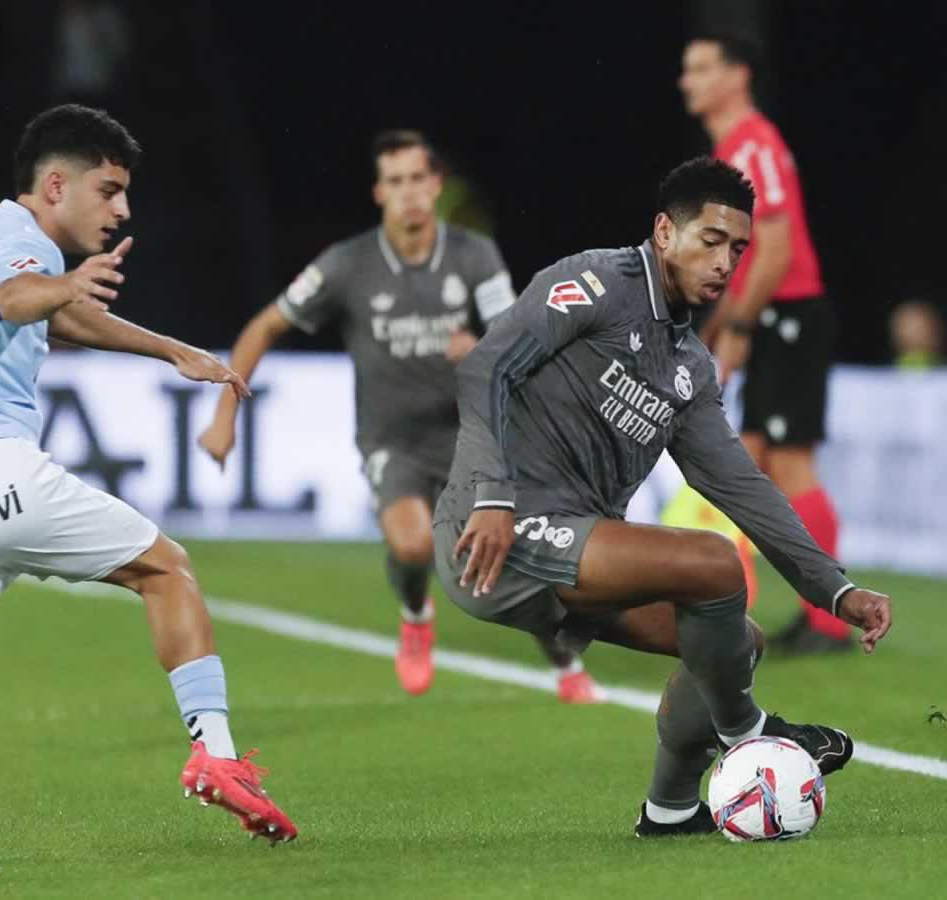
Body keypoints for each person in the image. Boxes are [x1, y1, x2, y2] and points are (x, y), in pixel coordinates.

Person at [0, 104, 297, 885]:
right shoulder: (26, 252)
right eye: (111, 189)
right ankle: (218, 759)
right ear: (56, 184)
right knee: (166, 570)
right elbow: (20, 301)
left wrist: (171, 350)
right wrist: (61, 284)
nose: (122, 209)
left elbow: (57, 317)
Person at [433, 157, 892, 836]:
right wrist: (493, 495)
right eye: (710, 240)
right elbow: (486, 370)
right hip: (496, 529)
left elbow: (740, 485)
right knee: (711, 563)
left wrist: (834, 590)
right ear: (663, 232)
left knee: (735, 641)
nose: (724, 263)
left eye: (737, 249)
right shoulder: (592, 283)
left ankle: (671, 808)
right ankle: (753, 733)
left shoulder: (688, 366)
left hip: (568, 544)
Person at [198, 130, 600, 701]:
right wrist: (223, 417)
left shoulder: (472, 256)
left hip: (473, 435)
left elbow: (515, 334)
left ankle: (565, 663)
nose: (408, 192)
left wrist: (482, 348)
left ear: (435, 186)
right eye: (395, 182)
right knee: (413, 547)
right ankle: (416, 615)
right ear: (379, 192)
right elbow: (264, 326)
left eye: (417, 179)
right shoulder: (348, 264)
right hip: (393, 439)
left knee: (510, 554)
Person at [679, 32, 850, 654]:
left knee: (784, 465)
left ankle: (827, 621)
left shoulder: (757, 145)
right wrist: (718, 331)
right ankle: (730, 609)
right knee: (747, 464)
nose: (686, 80)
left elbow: (774, 249)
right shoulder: (732, 149)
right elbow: (743, 262)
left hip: (791, 316)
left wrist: (742, 327)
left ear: (738, 75)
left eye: (700, 68)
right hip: (771, 317)